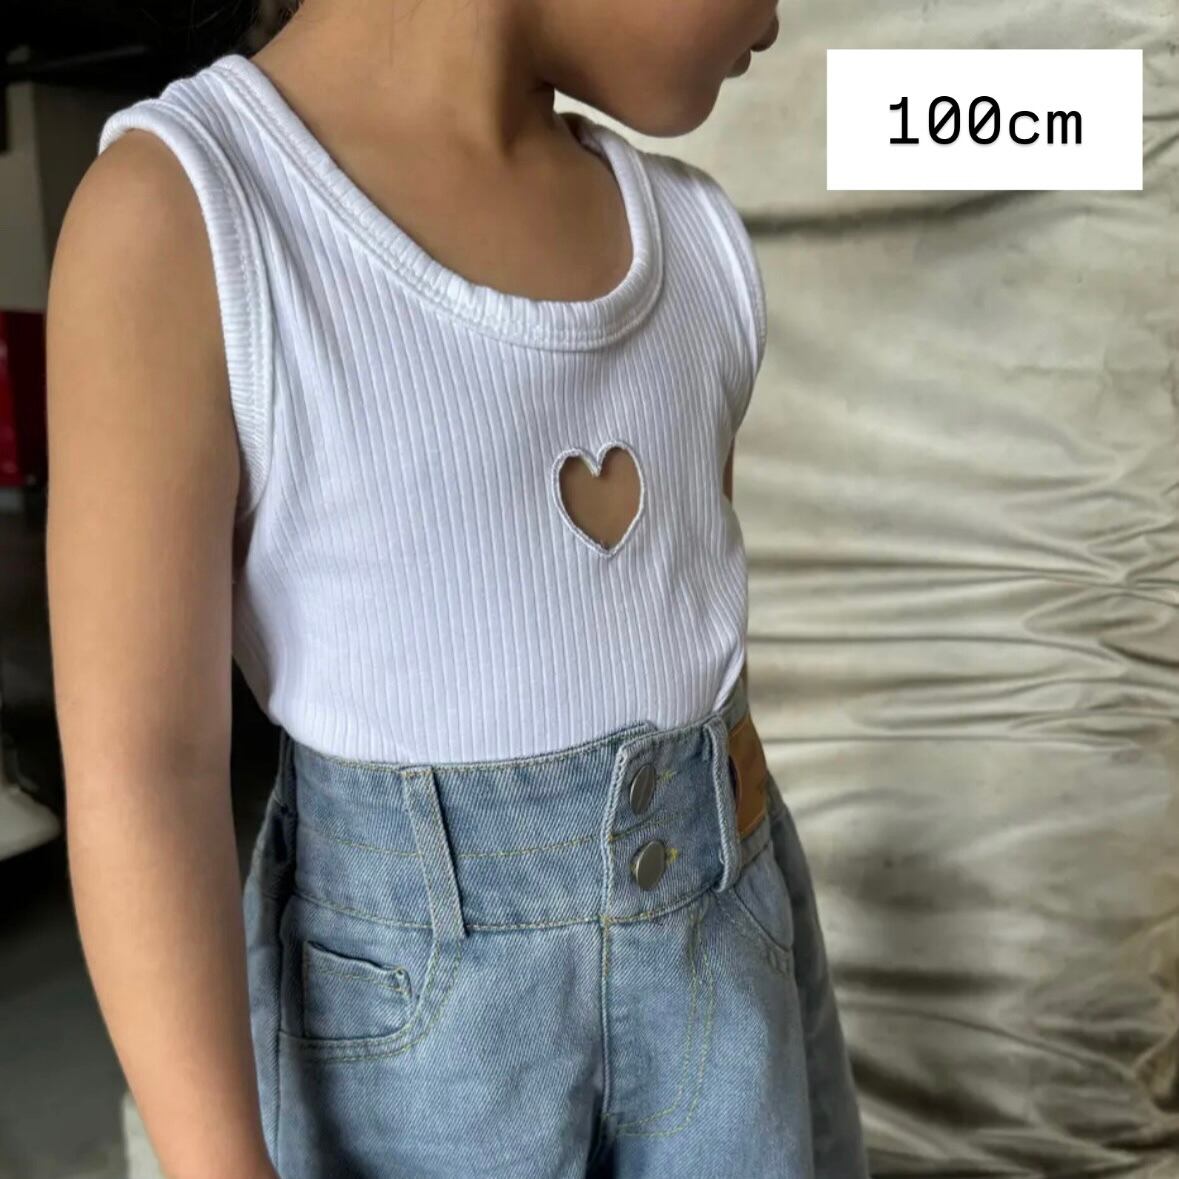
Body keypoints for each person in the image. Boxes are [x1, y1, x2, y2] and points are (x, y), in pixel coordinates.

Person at [45, 1, 867, 1175]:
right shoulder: (190, 219)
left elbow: (688, 648)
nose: (776, 21)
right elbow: (143, 771)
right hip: (410, 1068)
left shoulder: (697, 246)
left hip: (729, 979)